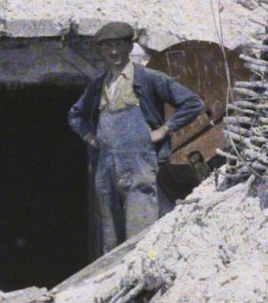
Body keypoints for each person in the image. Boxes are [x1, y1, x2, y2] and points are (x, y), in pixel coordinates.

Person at [68, 21, 205, 255]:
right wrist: (91, 137)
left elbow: (193, 103)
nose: (114, 52)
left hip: (139, 164)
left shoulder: (148, 78)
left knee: (140, 235)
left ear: (130, 47)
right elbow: (76, 115)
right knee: (110, 238)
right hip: (106, 167)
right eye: (108, 47)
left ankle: (141, 283)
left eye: (119, 45)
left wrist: (163, 130)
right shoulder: (99, 85)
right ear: (101, 51)